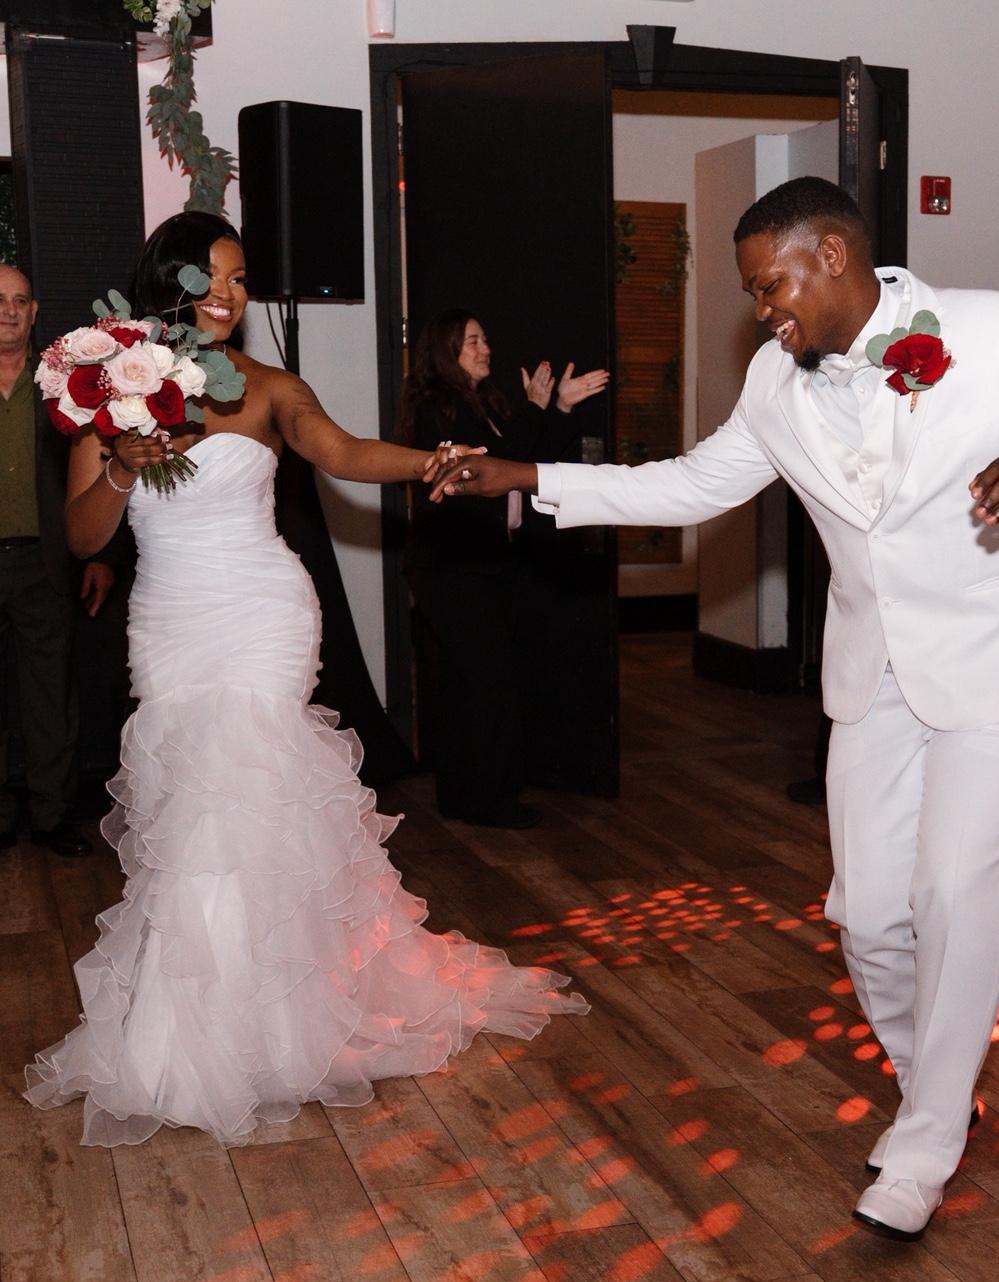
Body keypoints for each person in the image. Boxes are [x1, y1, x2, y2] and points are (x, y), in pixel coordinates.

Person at [434, 177, 999, 1238]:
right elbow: (689, 484)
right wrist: (528, 475)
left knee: (954, 892)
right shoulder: (774, 381)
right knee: (868, 916)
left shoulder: (989, 327)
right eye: (755, 293)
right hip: (876, 672)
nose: (762, 310)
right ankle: (933, 1087)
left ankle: (926, 1143)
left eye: (770, 285)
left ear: (832, 256)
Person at [23, 212, 587, 1148]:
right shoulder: (111, 390)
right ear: (168, 283)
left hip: (262, 613)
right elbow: (84, 538)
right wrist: (119, 466)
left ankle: (274, 1030)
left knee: (244, 802)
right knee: (193, 812)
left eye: (241, 280)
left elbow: (346, 452)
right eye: (213, 278)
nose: (229, 296)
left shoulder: (271, 388)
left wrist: (438, 461)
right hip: (171, 623)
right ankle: (200, 1026)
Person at [398, 311, 607, 828]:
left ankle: (473, 795)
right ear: (446, 351)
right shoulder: (435, 409)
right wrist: (538, 407)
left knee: (482, 682)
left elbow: (527, 465)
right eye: (472, 341)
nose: (485, 348)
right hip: (453, 568)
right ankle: (483, 799)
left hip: (488, 565)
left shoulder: (486, 403)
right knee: (484, 683)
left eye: (485, 338)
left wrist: (557, 408)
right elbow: (486, 468)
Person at [0, 263, 106, 858]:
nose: (9, 310)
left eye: (20, 300)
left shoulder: (62, 385)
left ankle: (51, 816)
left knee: (51, 699)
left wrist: (100, 554)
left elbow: (97, 470)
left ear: (35, 312)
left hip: (47, 561)